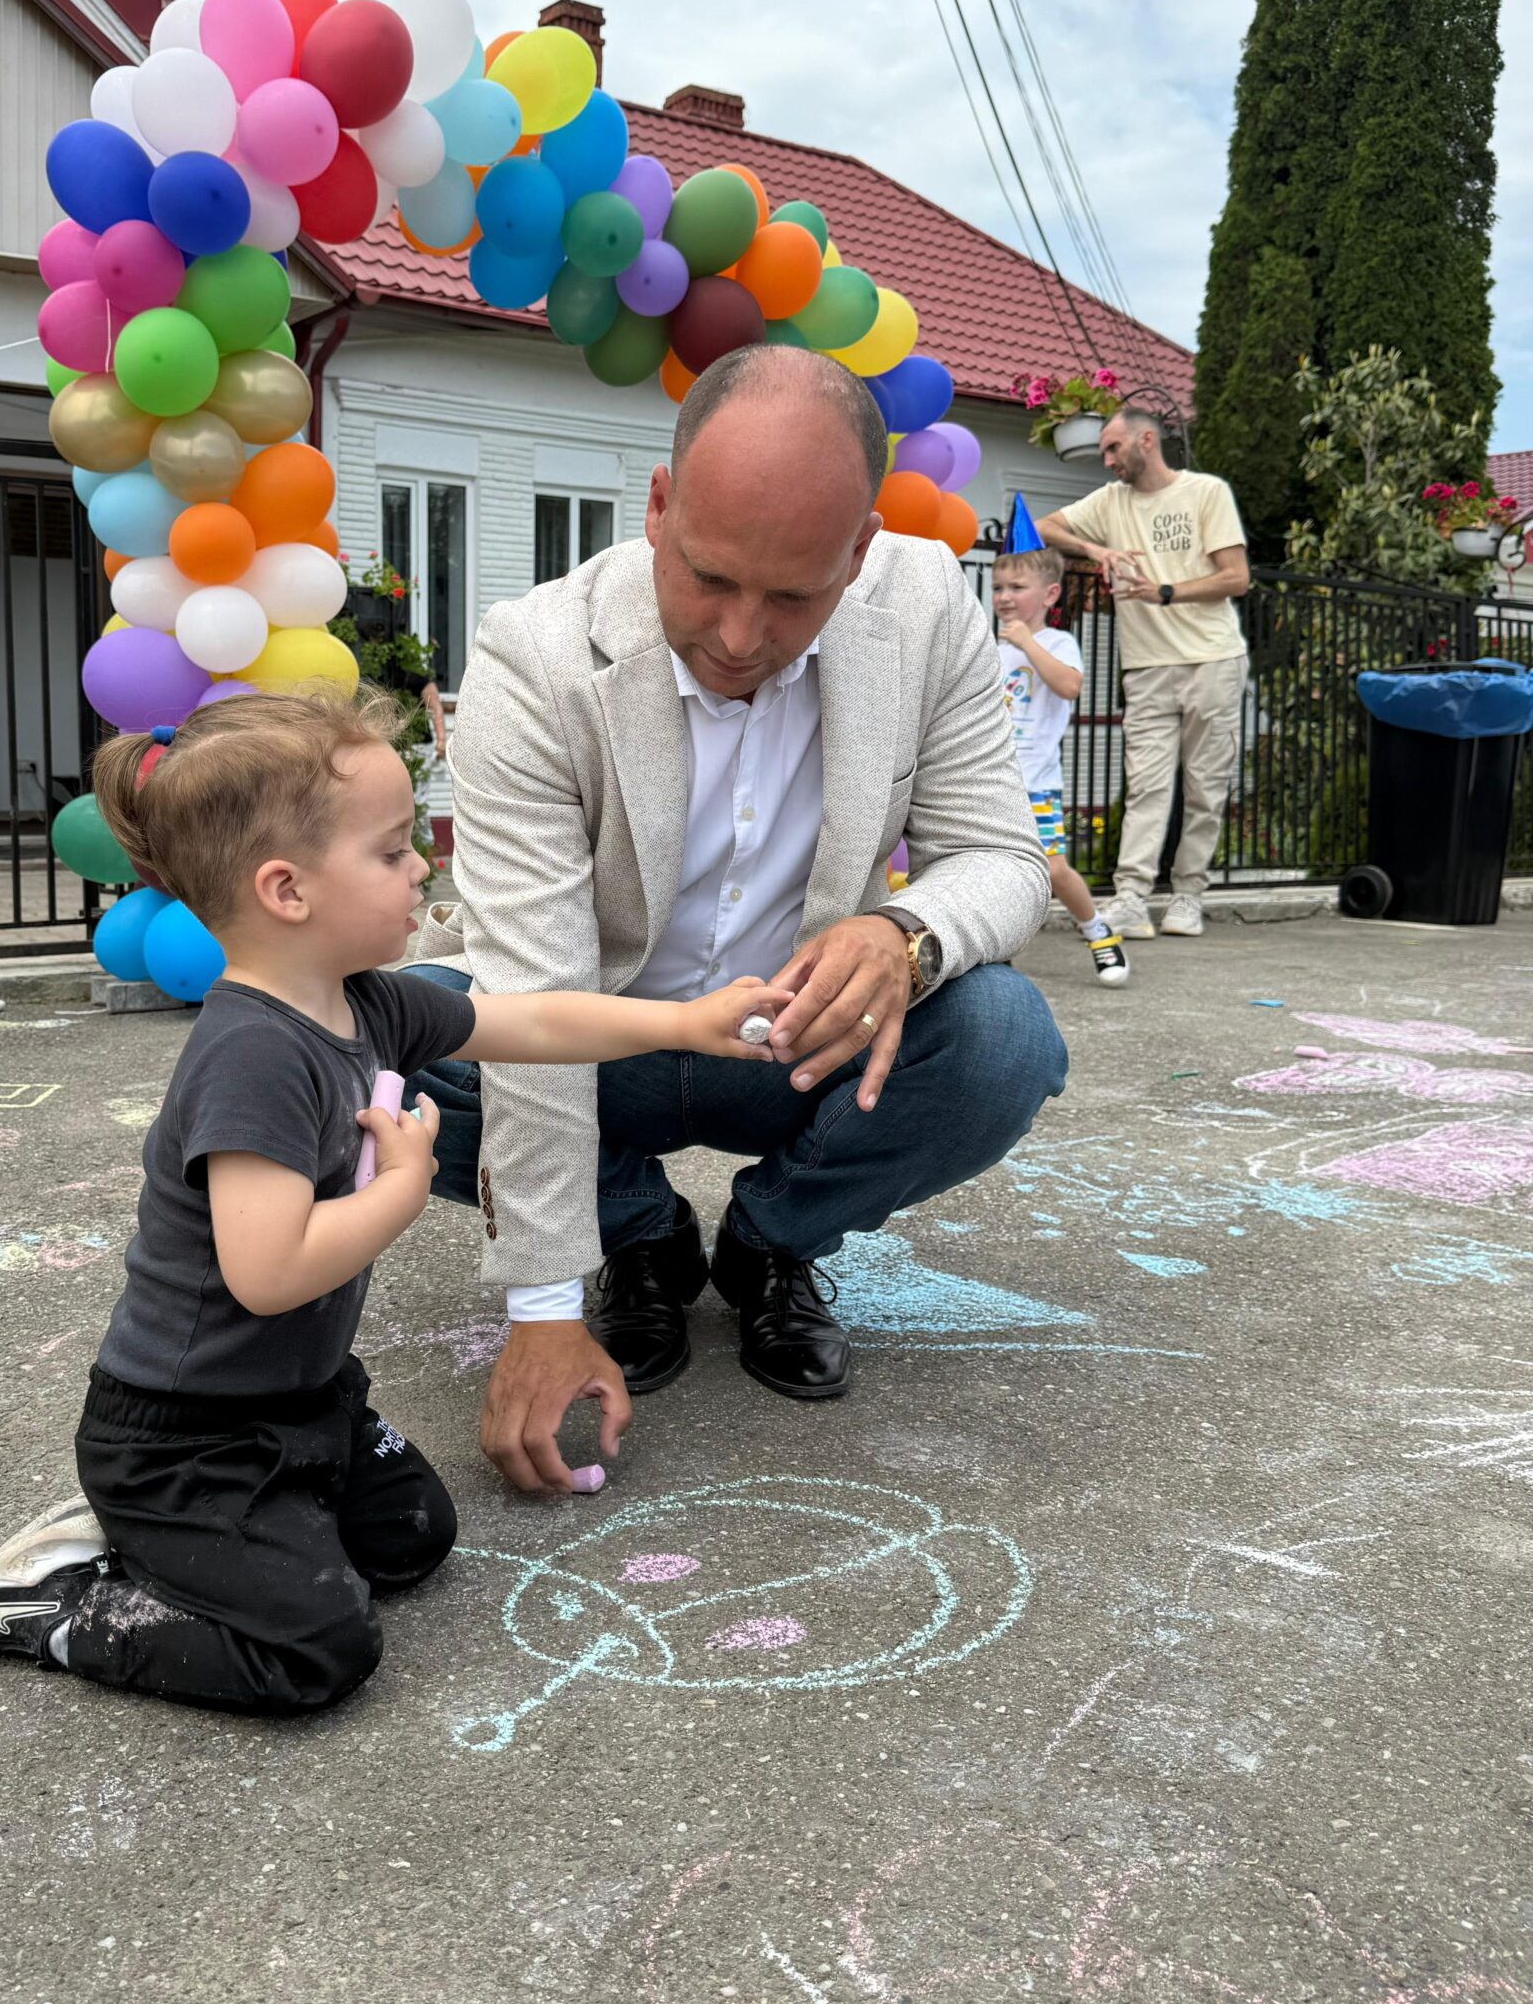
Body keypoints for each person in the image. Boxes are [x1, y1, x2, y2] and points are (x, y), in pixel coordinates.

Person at [0, 689, 783, 1717]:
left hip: (303, 1401)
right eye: (392, 850)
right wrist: (405, 1184)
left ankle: (186, 1543)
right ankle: (60, 1602)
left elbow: (531, 1021)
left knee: (412, 1539)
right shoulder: (252, 1057)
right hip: (185, 1437)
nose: (423, 869)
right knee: (319, 1650)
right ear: (287, 889)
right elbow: (269, 1272)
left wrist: (684, 1022)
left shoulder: (365, 1000)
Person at [405, 344, 1069, 1495]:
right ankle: (637, 1235)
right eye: (709, 578)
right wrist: (546, 1306)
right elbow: (530, 990)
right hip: (603, 1035)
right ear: (659, 508)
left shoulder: (924, 608)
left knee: (1005, 1036)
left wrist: (904, 935)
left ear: (858, 552)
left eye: (794, 596)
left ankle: (770, 1245)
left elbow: (1003, 859)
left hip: (798, 1041)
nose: (742, 635)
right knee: (384, 1039)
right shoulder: (536, 653)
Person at [1037, 409, 1251, 940]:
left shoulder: (1206, 492)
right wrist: (1096, 549)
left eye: (1113, 448)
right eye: (1104, 451)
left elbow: (1236, 577)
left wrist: (1165, 592)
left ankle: (1187, 897)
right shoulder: (1110, 501)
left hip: (1213, 660)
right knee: (1146, 788)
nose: (1107, 460)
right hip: (1146, 667)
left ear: (1147, 440)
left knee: (1205, 789)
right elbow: (1044, 526)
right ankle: (1131, 899)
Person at [991, 547, 1129, 987]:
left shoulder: (1057, 643)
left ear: (1050, 594)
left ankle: (1098, 931)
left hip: (1037, 782)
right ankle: (997, 953)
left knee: (1052, 870)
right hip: (992, 783)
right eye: (998, 587)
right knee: (993, 871)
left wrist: (1027, 643)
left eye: (1017, 587)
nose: (1004, 596)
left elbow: (1069, 686)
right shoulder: (992, 649)